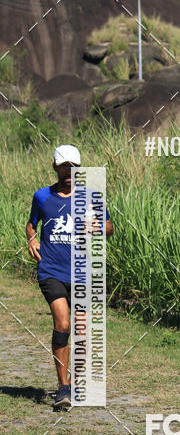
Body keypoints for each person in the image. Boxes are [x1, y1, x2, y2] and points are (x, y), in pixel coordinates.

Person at [26, 144, 113, 411]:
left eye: (73, 167)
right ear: (54, 166)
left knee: (81, 330)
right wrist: (31, 238)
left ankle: (75, 385)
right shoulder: (42, 197)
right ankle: (63, 388)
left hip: (81, 272)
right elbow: (32, 223)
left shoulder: (91, 196)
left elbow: (110, 227)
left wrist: (99, 226)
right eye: (64, 167)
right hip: (51, 270)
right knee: (62, 323)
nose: (68, 172)